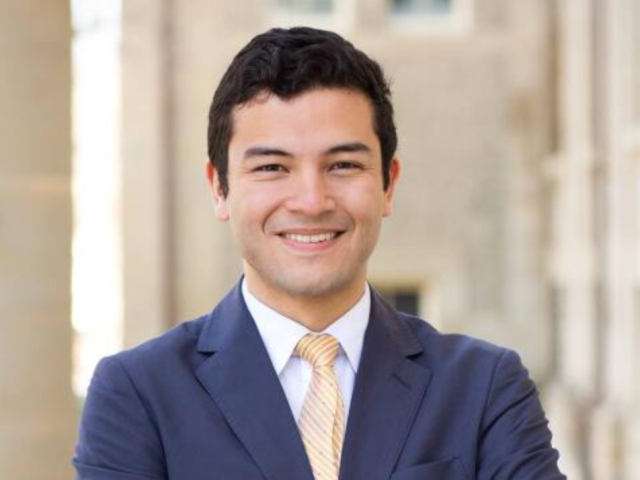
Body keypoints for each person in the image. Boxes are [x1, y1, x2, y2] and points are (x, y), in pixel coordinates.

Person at [73, 27, 565, 480]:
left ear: (388, 184)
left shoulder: (483, 387)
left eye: (343, 164)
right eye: (272, 168)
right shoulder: (138, 395)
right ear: (219, 188)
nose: (311, 201)